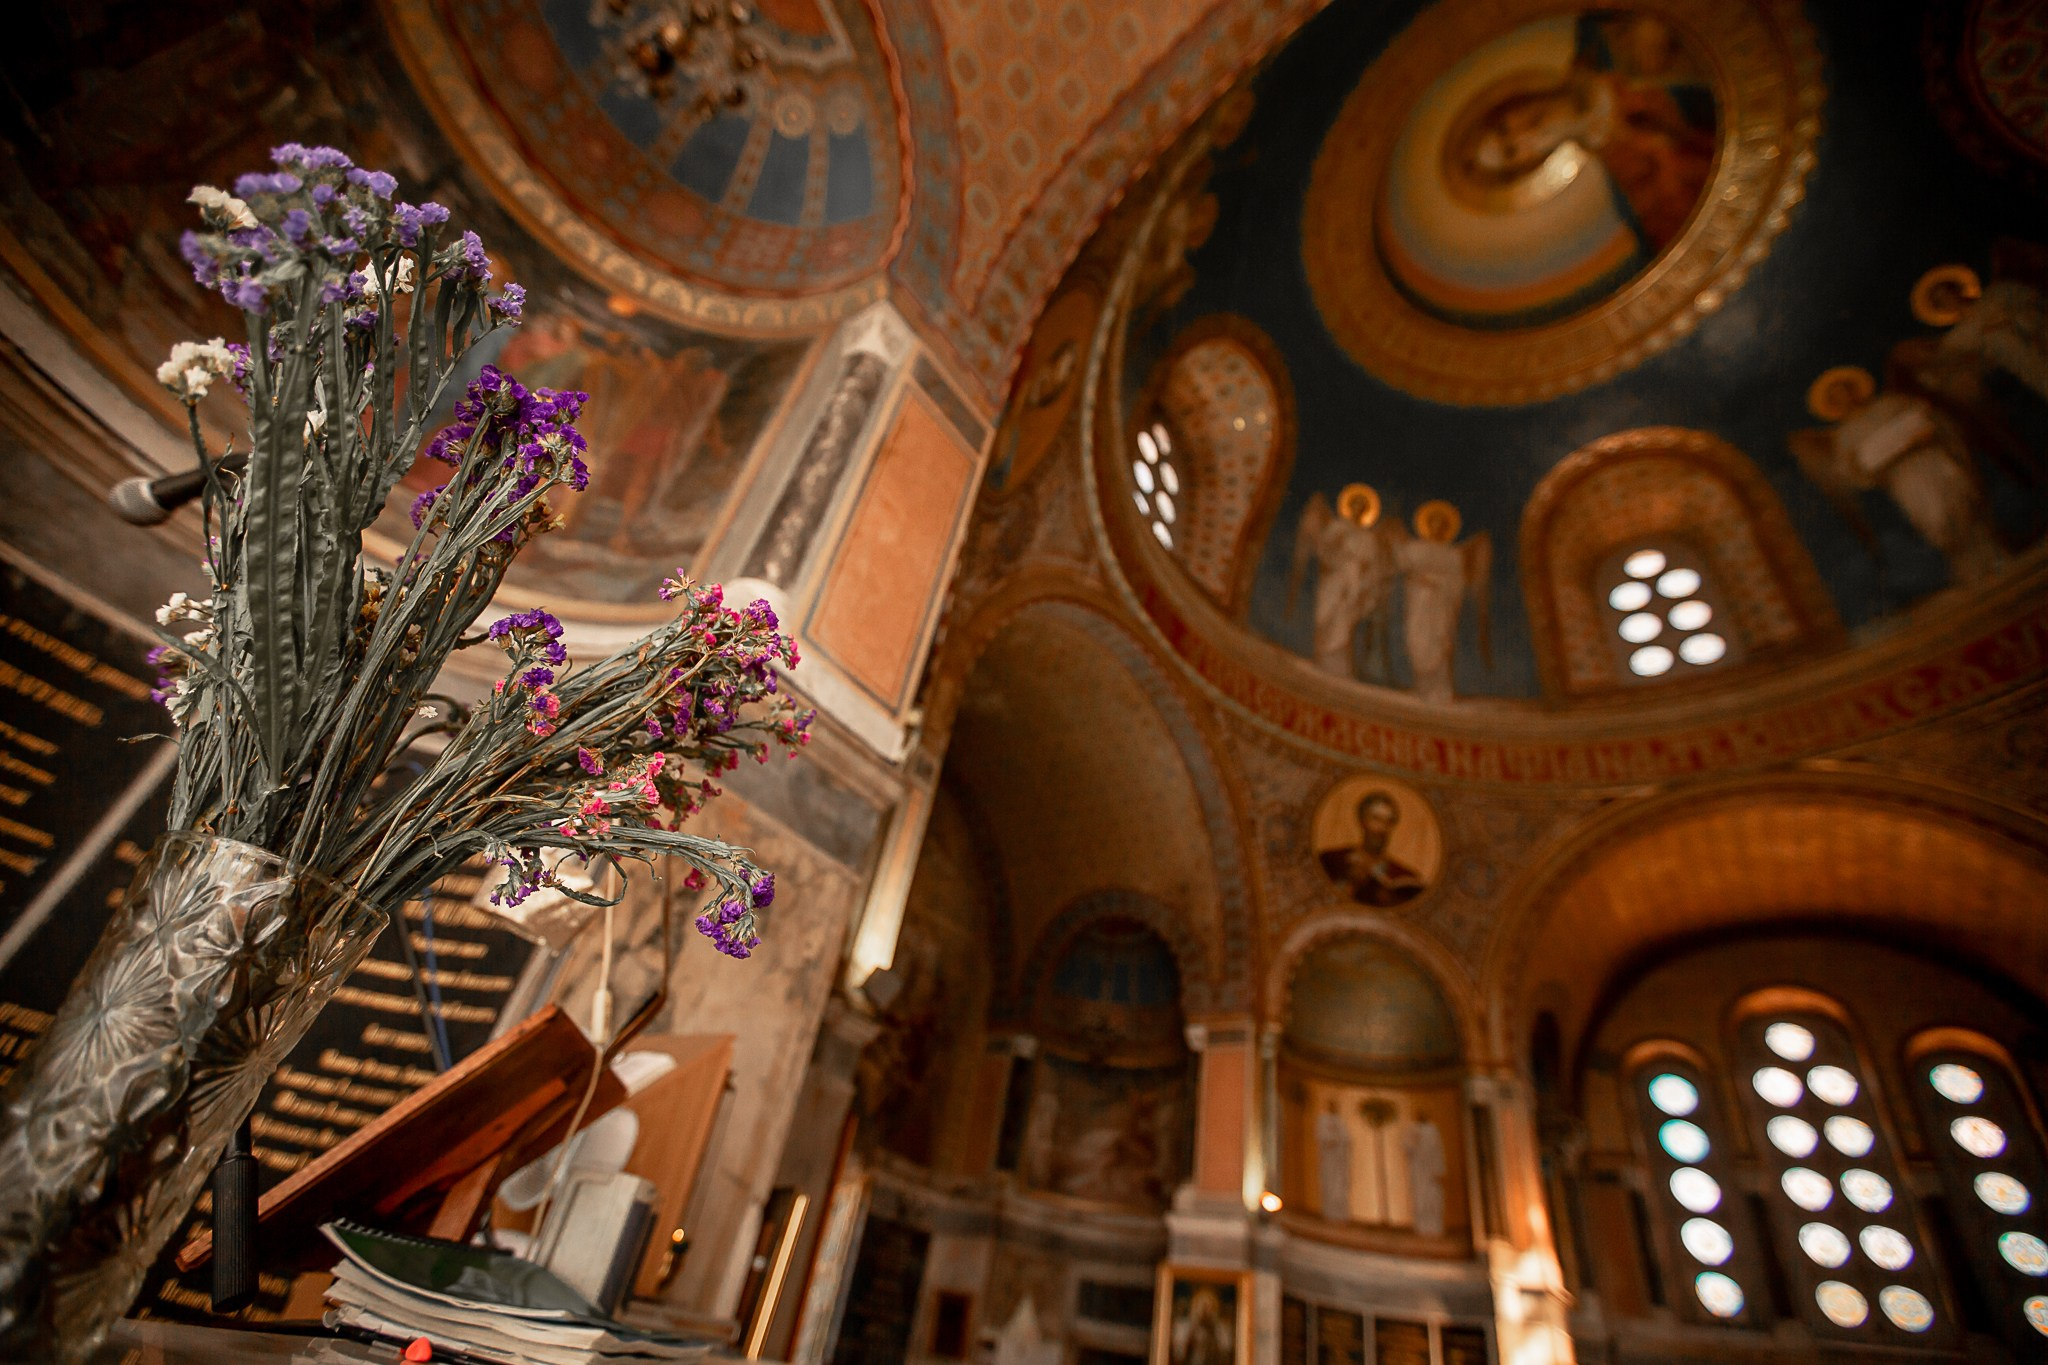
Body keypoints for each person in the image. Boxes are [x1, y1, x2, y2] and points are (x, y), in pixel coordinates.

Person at [1319, 791, 1426, 907]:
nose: (1382, 828)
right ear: (1362, 820)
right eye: (1376, 819)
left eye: (1389, 821)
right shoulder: (1332, 860)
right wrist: (1350, 882)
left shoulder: (1403, 875)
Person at [1173, 1286, 1233, 1365]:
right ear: (1195, 1306)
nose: (1205, 1311)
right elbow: (1179, 1354)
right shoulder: (1184, 1326)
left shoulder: (1220, 1329)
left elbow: (1225, 1353)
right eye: (1202, 1305)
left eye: (1208, 1307)